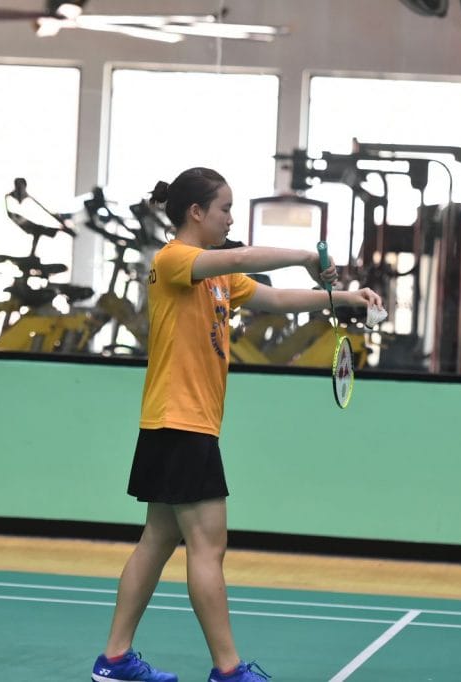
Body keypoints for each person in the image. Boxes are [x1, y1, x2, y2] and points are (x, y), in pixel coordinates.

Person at [90, 168, 382, 682]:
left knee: (157, 540)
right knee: (208, 548)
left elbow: (275, 299)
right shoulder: (174, 260)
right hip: (180, 424)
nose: (230, 218)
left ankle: (114, 660)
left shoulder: (218, 277)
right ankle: (228, 671)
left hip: (178, 425)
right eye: (224, 208)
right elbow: (243, 257)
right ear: (195, 212)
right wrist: (306, 256)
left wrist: (345, 299)